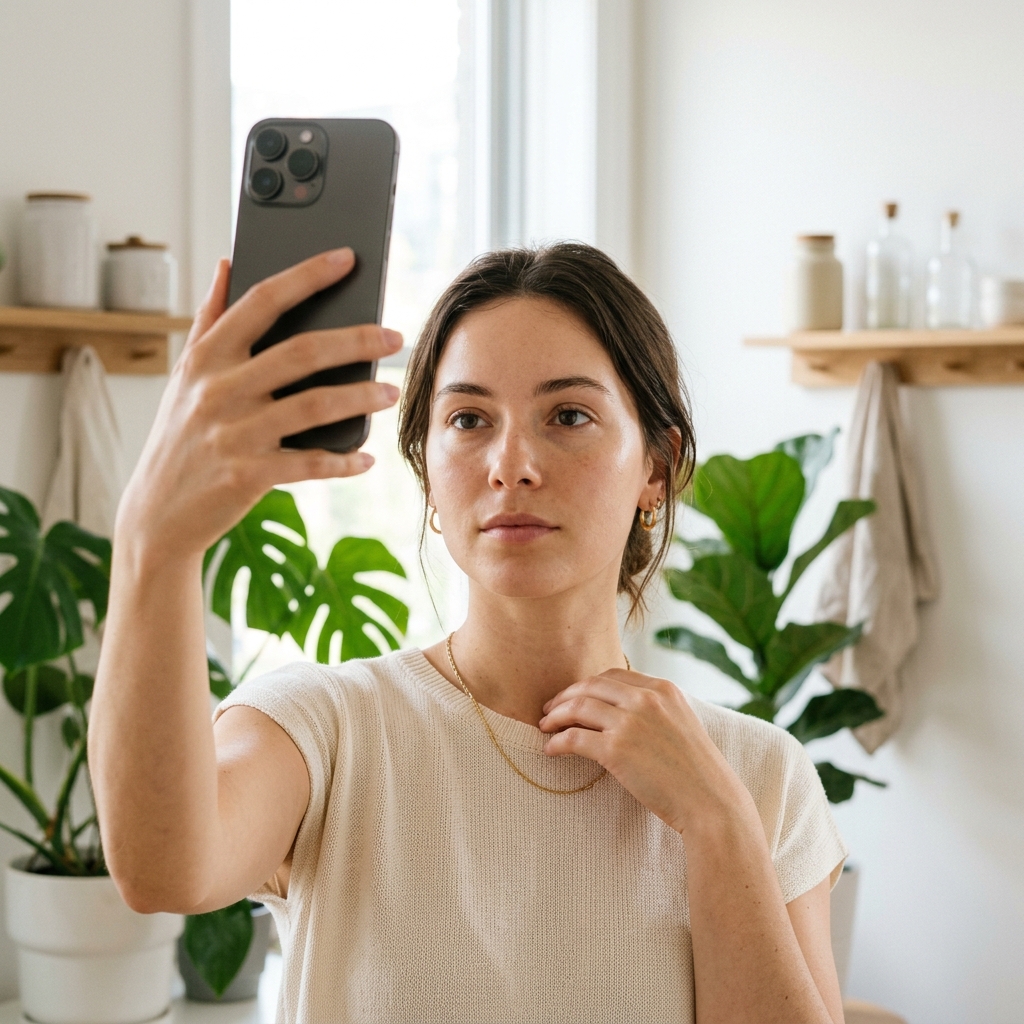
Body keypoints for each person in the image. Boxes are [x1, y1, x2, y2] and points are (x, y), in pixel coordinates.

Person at [90, 242, 847, 1024]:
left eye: (569, 416)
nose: (510, 464)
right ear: (426, 472)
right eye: (468, 420)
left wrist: (717, 823)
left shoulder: (755, 776)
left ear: (658, 465)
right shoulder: (326, 729)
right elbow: (162, 871)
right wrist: (155, 540)